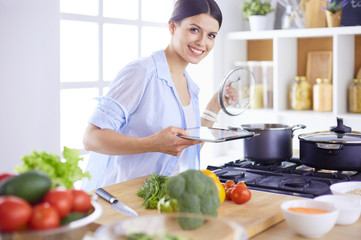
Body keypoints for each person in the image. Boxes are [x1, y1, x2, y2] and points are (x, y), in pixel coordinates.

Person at [81, 0, 223, 191]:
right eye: (194, 30)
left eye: (211, 35)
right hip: (123, 198)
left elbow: (183, 148)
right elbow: (91, 138)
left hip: (163, 199)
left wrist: (215, 105)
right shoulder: (142, 72)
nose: (202, 42)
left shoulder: (190, 86)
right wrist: (151, 143)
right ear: (173, 27)